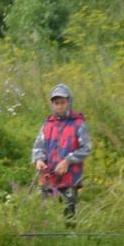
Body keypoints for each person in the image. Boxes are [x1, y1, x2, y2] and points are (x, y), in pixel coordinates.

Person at [32, 82, 92, 218]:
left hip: (70, 178)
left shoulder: (78, 123)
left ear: (69, 102)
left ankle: (70, 237)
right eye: (56, 103)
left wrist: (68, 161)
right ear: (52, 104)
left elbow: (86, 148)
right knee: (45, 214)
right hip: (47, 176)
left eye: (62, 102)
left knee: (69, 214)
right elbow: (38, 147)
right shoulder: (48, 124)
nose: (59, 106)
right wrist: (39, 160)